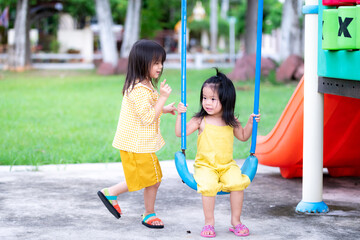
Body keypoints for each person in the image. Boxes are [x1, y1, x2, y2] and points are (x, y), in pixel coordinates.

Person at [97, 39, 176, 229]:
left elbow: (148, 111)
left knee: (148, 179)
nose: (160, 67)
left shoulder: (145, 84)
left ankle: (113, 194)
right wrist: (163, 97)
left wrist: (164, 108)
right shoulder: (138, 89)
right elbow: (148, 117)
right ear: (142, 63)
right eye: (156, 63)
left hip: (138, 143)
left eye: (161, 62)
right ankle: (147, 213)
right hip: (138, 145)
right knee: (152, 179)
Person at [175, 68, 260, 237]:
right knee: (208, 186)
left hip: (227, 165)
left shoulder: (231, 121)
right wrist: (180, 115)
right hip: (205, 166)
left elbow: (243, 136)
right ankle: (209, 223)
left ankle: (236, 221)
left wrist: (250, 123)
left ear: (226, 100)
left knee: (238, 183)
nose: (207, 102)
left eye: (213, 99)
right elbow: (180, 133)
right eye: (205, 98)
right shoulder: (200, 120)